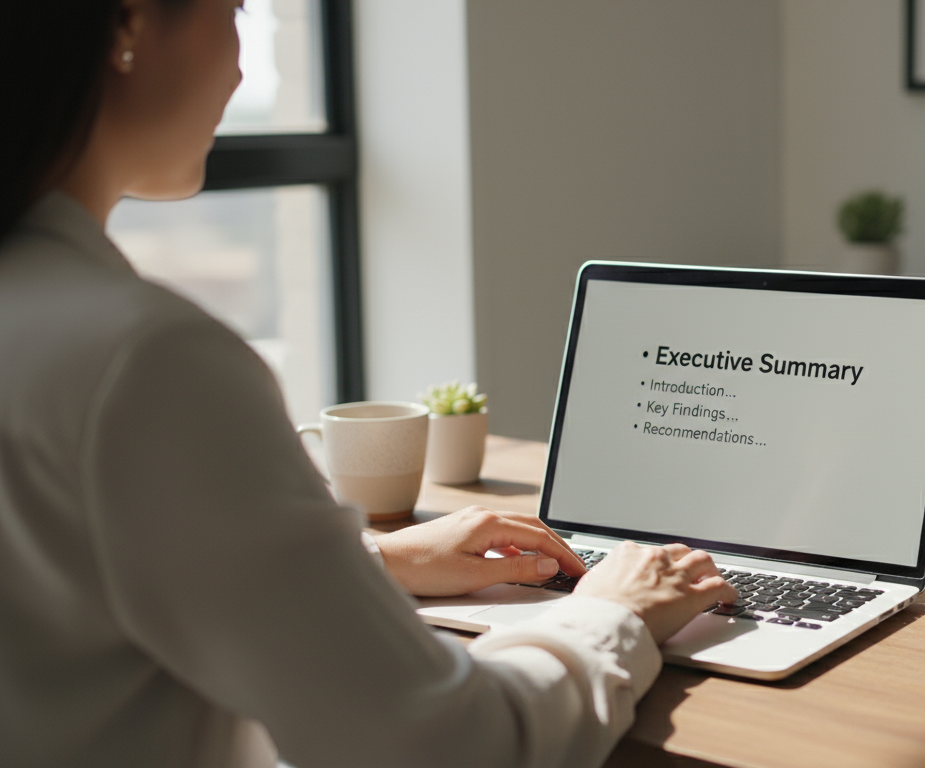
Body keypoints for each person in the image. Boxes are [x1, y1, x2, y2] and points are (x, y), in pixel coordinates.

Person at [0, 2, 736, 766]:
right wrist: (614, 614)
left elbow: (81, 581)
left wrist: (370, 565)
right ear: (128, 23)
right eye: (236, 8)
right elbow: (449, 746)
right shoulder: (147, 360)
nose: (243, 65)